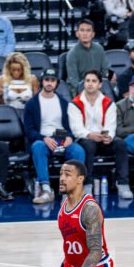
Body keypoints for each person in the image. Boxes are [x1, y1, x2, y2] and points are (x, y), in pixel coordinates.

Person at [24, 68, 86, 205]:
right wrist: (43, 138)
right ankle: (46, 190)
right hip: (44, 140)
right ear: (42, 82)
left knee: (78, 150)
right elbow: (29, 130)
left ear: (57, 83)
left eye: (52, 80)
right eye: (47, 80)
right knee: (38, 147)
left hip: (62, 140)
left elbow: (70, 127)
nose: (49, 83)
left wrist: (70, 137)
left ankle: (72, 190)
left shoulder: (64, 103)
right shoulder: (31, 104)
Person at [65, 19, 110, 91]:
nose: (85, 33)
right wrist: (88, 91)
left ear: (93, 34)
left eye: (88, 30)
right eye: (82, 30)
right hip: (80, 89)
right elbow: (73, 79)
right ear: (77, 33)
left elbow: (105, 70)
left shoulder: (99, 49)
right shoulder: (72, 53)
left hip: (98, 87)